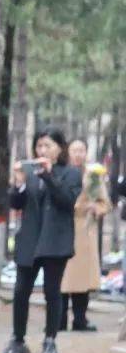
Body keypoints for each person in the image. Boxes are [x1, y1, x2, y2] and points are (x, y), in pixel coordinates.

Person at [0, 128, 82, 353]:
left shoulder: (71, 174)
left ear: (59, 147)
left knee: (52, 292)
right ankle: (18, 339)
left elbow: (66, 201)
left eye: (47, 145)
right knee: (20, 291)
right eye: (39, 146)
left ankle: (50, 340)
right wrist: (19, 184)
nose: (42, 150)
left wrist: (47, 174)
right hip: (30, 240)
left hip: (56, 241)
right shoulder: (29, 172)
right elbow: (16, 204)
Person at [60, 139, 111, 331]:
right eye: (74, 150)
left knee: (83, 276)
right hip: (64, 227)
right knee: (63, 275)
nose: (78, 154)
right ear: (68, 151)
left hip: (85, 231)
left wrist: (95, 208)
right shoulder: (62, 172)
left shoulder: (93, 175)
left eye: (82, 150)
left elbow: (105, 203)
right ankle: (60, 318)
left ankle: (80, 319)